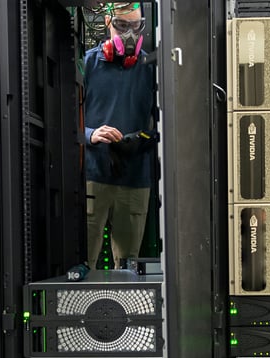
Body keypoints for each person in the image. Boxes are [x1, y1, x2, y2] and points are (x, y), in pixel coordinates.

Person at [83, 2, 156, 270]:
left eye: (136, 26)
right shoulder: (88, 64)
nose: (130, 34)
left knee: (128, 268)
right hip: (94, 175)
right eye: (122, 26)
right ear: (107, 23)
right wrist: (91, 134)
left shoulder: (150, 68)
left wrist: (141, 138)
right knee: (84, 262)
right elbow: (64, 121)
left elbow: (167, 123)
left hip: (134, 178)